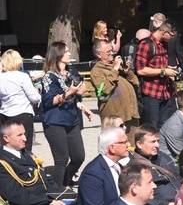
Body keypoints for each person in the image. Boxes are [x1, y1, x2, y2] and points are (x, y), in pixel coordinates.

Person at [40, 41, 92, 187]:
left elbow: (80, 90)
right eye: (67, 51)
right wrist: (69, 92)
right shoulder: (49, 77)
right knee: (61, 159)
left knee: (78, 156)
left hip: (72, 119)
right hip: (55, 121)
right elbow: (50, 101)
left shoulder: (71, 71)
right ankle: (57, 191)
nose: (70, 54)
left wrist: (81, 105)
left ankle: (66, 180)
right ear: (58, 55)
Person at [90, 39, 140, 145]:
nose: (112, 53)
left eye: (112, 50)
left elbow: (136, 83)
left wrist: (127, 72)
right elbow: (104, 89)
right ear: (99, 54)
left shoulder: (116, 66)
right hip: (114, 118)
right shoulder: (97, 71)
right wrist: (116, 69)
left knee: (132, 146)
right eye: (108, 51)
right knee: (115, 145)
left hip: (130, 114)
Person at [135, 21, 179, 129]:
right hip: (151, 94)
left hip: (165, 93)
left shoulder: (163, 45)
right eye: (172, 35)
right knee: (151, 128)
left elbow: (158, 66)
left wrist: (169, 70)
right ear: (164, 32)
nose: (172, 38)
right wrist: (163, 71)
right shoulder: (146, 44)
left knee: (164, 127)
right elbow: (140, 70)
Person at [0, 49, 40, 152]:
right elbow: (34, 98)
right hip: (22, 114)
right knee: (24, 146)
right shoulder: (22, 77)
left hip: (5, 114)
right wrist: (38, 91)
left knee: (8, 147)